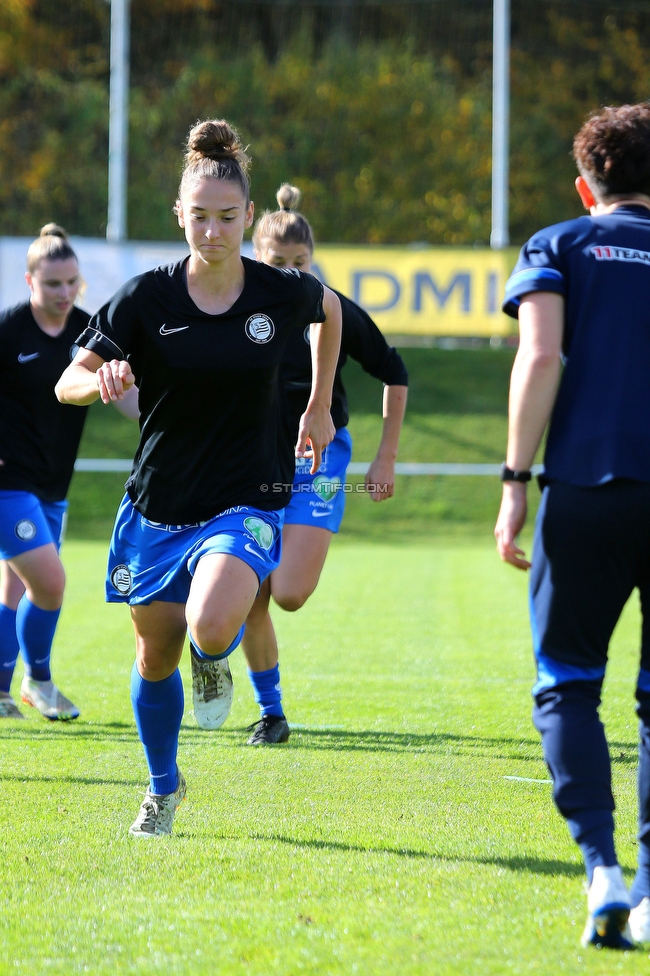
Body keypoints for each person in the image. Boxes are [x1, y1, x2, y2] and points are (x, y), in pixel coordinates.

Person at [55, 120, 342, 837]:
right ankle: (163, 787)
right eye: (199, 217)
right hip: (159, 503)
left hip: (248, 496)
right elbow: (67, 382)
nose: (212, 232)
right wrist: (101, 381)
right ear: (179, 216)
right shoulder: (145, 298)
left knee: (211, 626)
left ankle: (213, 661)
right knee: (155, 652)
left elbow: (329, 311)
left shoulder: (280, 291)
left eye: (226, 217)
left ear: (247, 217)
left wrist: (316, 406)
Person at [495, 103, 650, 950]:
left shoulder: (557, 244)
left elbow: (541, 356)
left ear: (585, 185)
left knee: (568, 685)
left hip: (586, 491)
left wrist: (515, 479)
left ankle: (602, 872)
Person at [189, 184, 408, 743]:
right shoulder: (235, 307)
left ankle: (224, 647)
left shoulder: (328, 305)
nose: (289, 272)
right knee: (253, 589)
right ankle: (271, 712)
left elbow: (394, 371)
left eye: (300, 263)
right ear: (258, 258)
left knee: (287, 591)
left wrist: (385, 457)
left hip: (320, 461)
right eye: (277, 263)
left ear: (313, 261)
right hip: (254, 456)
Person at [0, 225, 136, 721]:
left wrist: (168, 417)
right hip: (8, 483)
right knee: (51, 584)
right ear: (29, 280)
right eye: (52, 283)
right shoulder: (8, 330)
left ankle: (2, 691)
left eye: (71, 283)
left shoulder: (89, 335)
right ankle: (38, 681)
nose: (63, 293)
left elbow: (126, 397)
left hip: (54, 485)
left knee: (17, 589)